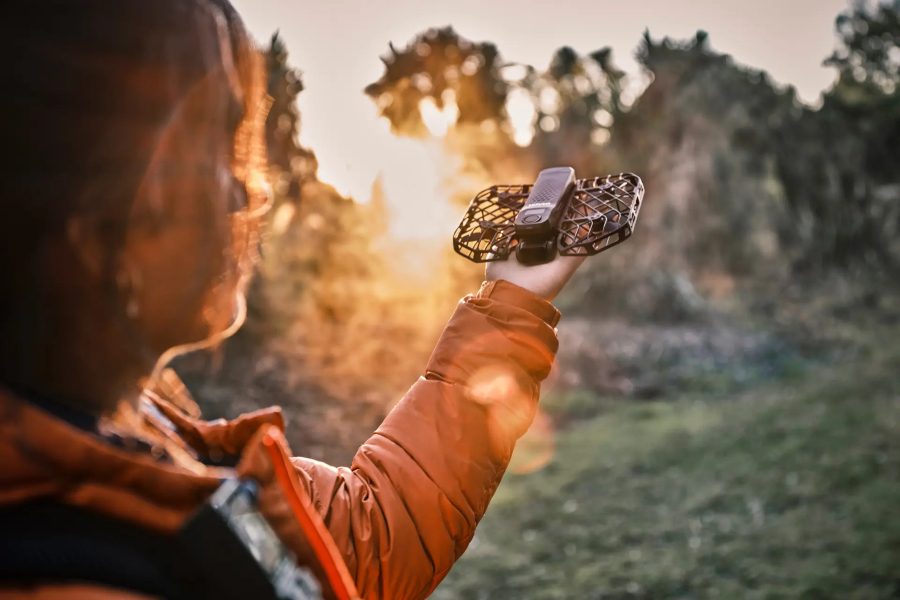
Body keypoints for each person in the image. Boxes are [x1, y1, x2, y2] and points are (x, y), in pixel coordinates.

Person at [0, 1, 586, 598]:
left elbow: (368, 538)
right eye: (216, 146)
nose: (246, 191)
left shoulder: (135, 445)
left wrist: (510, 296)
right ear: (95, 229)